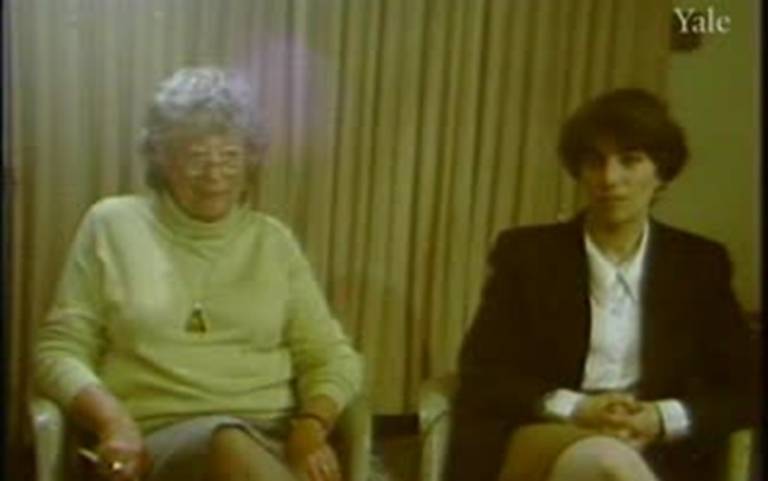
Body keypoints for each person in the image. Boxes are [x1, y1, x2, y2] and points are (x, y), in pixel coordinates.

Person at [34, 66, 363, 481]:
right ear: (160, 157)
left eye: (230, 157)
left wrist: (311, 428)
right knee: (223, 441)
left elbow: (331, 356)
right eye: (196, 157)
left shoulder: (273, 240)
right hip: (154, 442)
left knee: (237, 445)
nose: (214, 175)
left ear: (251, 160)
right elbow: (58, 351)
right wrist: (113, 421)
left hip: (269, 436)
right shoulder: (112, 224)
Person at [445, 88, 757, 481]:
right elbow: (483, 374)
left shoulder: (699, 264)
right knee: (608, 464)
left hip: (656, 447)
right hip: (543, 435)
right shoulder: (527, 254)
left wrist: (660, 418)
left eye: (630, 161)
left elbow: (746, 388)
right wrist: (578, 409)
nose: (610, 178)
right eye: (595, 161)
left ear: (660, 172)